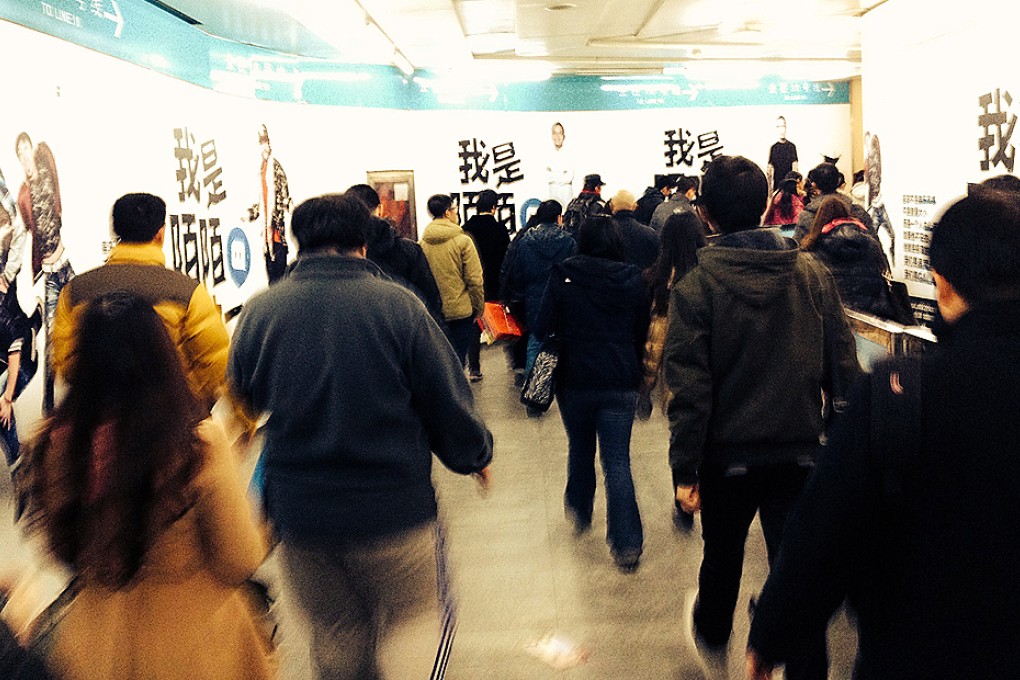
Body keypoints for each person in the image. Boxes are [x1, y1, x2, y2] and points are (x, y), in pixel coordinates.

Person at [746, 186, 1020, 680]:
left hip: (918, 654)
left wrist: (773, 633)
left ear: (943, 284)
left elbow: (827, 532)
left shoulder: (901, 394)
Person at [228, 193, 493, 680]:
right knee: (414, 625)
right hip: (395, 510)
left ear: (299, 242)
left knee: (336, 633)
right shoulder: (399, 306)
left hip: (301, 516)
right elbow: (444, 397)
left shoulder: (261, 312)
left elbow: (245, 394)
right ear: (363, 242)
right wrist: (474, 455)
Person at [663, 156, 858, 679]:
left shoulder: (697, 288)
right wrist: (842, 446)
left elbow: (690, 391)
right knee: (797, 572)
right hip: (801, 452)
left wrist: (685, 470)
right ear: (766, 205)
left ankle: (712, 638)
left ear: (706, 214)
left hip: (727, 458)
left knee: (722, 558)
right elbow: (842, 365)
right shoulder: (811, 274)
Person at [26, 291, 272, 679]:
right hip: (194, 645)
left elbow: (62, 549)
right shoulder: (196, 445)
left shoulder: (58, 444)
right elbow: (238, 558)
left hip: (95, 645)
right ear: (162, 356)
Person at [534, 214, 650, 571]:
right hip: (620, 379)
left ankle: (580, 508)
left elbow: (542, 325)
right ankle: (627, 544)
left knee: (580, 446)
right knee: (617, 461)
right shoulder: (633, 278)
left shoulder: (564, 274)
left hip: (575, 379)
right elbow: (642, 330)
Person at [51, 193, 230, 412]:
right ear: (160, 234)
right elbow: (216, 365)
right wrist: (184, 398)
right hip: (169, 418)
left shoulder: (76, 290)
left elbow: (64, 363)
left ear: (116, 231)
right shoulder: (188, 292)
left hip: (98, 418)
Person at [639, 211, 706, 529]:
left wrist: (647, 379)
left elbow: (656, 336)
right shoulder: (710, 273)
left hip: (676, 374)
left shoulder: (659, 279)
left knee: (682, 432)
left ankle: (684, 497)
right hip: (713, 366)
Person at [15, 132, 73, 413]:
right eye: (20, 153)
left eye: (26, 148)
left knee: (86, 322)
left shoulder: (47, 171)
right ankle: (49, 406)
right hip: (50, 273)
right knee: (52, 340)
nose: (25, 155)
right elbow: (29, 229)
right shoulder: (22, 195)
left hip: (66, 266)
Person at [500, 199, 576, 391]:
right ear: (559, 218)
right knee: (565, 344)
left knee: (535, 342)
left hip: (534, 299)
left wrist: (518, 298)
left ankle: (534, 388)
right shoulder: (568, 241)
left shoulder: (525, 241)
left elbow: (518, 274)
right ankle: (564, 387)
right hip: (561, 300)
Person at [345, 183, 443, 324]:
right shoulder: (408, 250)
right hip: (405, 327)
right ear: (380, 209)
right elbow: (431, 300)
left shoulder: (338, 254)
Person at [800, 196, 903, 321]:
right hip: (871, 314)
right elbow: (880, 273)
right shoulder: (870, 242)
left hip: (836, 314)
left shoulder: (815, 247)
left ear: (819, 219)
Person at [420, 194, 485, 366]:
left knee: (439, 363)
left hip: (433, 312)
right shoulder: (463, 241)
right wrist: (478, 308)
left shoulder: (422, 244)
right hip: (460, 312)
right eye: (454, 209)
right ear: (448, 212)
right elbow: (474, 279)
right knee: (458, 361)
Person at [462, 189, 511, 381]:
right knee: (502, 320)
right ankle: (512, 362)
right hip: (495, 282)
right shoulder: (500, 229)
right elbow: (506, 259)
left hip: (474, 282)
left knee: (475, 324)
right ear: (494, 207)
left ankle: (474, 368)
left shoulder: (466, 228)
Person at [246, 124, 293, 284]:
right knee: (271, 281)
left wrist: (292, 208)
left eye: (265, 141)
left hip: (277, 233)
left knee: (279, 281)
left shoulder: (276, 168)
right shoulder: (261, 169)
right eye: (261, 141)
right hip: (266, 237)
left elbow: (284, 196)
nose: (264, 145)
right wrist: (250, 214)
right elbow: (261, 202)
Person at [795, 162, 873, 242]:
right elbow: (873, 243)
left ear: (814, 184)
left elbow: (799, 244)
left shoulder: (807, 215)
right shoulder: (858, 211)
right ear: (838, 181)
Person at [608, 189, 661, 270]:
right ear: (635, 207)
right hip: (639, 276)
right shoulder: (650, 234)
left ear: (611, 206)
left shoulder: (601, 232)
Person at [864, 132, 896, 263]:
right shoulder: (869, 163)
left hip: (879, 205)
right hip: (876, 206)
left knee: (890, 236)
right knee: (873, 238)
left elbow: (875, 179)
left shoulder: (874, 161)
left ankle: (889, 261)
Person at [545, 122, 575, 207]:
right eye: (555, 133)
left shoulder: (569, 154)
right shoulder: (547, 155)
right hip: (553, 193)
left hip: (566, 194)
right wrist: (561, 174)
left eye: (560, 133)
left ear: (563, 136)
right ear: (552, 136)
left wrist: (554, 174)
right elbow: (547, 176)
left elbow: (569, 177)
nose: (557, 136)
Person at [766, 116, 798, 192]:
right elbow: (769, 172)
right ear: (776, 129)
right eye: (778, 126)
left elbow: (795, 169)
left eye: (783, 126)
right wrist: (770, 192)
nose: (781, 129)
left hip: (789, 188)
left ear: (786, 128)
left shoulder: (792, 147)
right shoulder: (773, 148)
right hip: (777, 188)